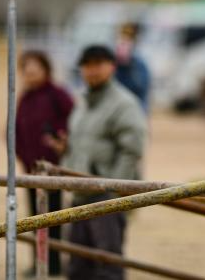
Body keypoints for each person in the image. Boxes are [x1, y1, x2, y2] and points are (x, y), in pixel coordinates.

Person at [51, 45, 147, 280]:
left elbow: (132, 150)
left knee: (108, 265)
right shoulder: (83, 103)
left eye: (98, 64)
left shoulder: (124, 104)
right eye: (87, 65)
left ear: (112, 66)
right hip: (79, 194)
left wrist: (113, 189)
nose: (92, 70)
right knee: (77, 266)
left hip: (106, 197)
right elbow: (79, 143)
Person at [15, 49, 73, 277]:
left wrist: (59, 141)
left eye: (34, 70)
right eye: (26, 71)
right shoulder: (24, 98)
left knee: (55, 218)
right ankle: (39, 262)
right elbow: (16, 130)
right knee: (34, 219)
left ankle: (55, 263)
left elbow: (72, 121)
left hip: (54, 170)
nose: (30, 75)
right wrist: (22, 157)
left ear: (45, 70)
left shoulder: (57, 95)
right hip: (30, 171)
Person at [113, 23, 151, 113]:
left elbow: (142, 93)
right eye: (123, 36)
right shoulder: (111, 63)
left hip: (134, 111)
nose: (124, 42)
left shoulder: (139, 65)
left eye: (129, 37)